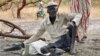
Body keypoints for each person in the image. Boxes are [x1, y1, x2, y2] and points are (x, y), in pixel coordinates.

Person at [3, 1, 82, 56]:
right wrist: (25, 43)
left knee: (73, 26)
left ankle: (71, 47)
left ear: (56, 10)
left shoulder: (63, 15)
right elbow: (37, 35)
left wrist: (73, 22)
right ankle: (58, 50)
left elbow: (79, 15)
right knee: (41, 49)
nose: (52, 10)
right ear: (47, 11)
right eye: (50, 9)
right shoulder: (45, 22)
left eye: (54, 8)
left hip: (66, 38)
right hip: (55, 42)